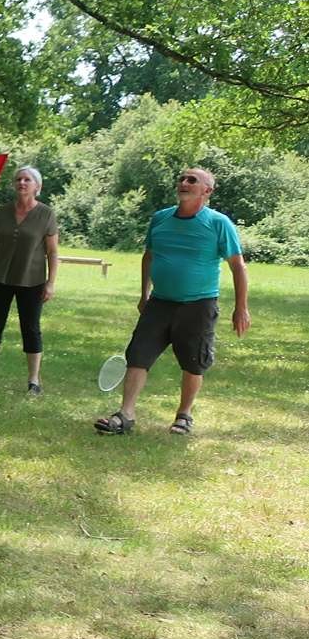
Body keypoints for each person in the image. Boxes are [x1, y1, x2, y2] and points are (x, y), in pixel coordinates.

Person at [94, 165, 251, 436]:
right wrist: (144, 293)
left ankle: (184, 415)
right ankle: (126, 415)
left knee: (193, 361)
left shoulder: (218, 223)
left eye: (192, 180)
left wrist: (241, 307)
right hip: (160, 302)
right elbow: (149, 256)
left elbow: (238, 266)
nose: (184, 183)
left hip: (199, 304)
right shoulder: (160, 219)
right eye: (182, 178)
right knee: (138, 355)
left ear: (207, 191)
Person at [0, 165, 59, 394]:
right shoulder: (3, 212)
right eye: (18, 179)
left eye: (27, 180)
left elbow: (53, 252)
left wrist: (50, 282)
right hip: (0, 277)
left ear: (37, 186)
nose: (22, 183)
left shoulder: (46, 214)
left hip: (32, 280)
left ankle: (34, 381)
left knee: (31, 328)